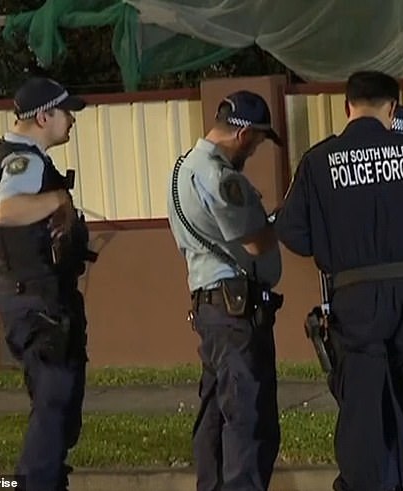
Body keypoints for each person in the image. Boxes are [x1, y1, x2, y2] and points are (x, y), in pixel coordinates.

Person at [275, 71, 403, 491]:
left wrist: (332, 244)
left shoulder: (319, 161)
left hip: (354, 300)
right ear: (393, 109)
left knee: (361, 411)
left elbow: (291, 232)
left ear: (348, 108)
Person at [0, 76, 97, 491]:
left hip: (33, 300)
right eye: (67, 113)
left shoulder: (12, 155)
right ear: (44, 115)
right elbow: (6, 209)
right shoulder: (22, 160)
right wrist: (59, 200)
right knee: (54, 406)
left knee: (55, 412)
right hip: (38, 305)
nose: (72, 121)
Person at [166, 90, 285, 491]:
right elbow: (254, 241)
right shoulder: (221, 175)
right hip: (236, 312)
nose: (254, 150)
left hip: (212, 308)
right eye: (257, 141)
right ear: (243, 133)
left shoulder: (183, 167)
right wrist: (279, 223)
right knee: (248, 420)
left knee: (216, 416)